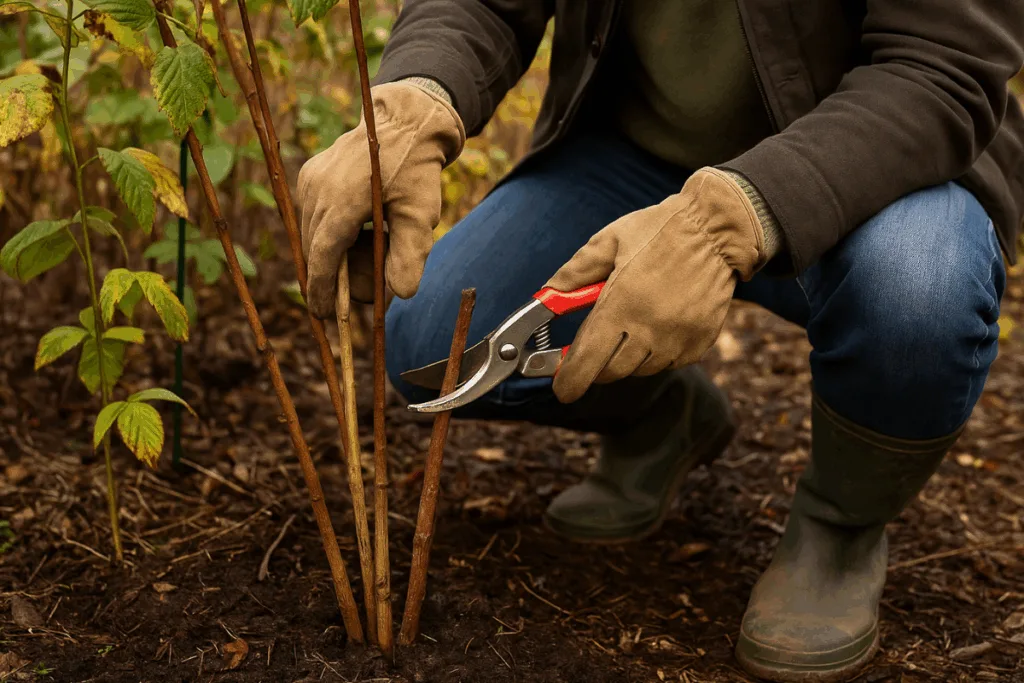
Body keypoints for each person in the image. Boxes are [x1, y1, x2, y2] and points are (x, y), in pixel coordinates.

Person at [295, 2, 1024, 680]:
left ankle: (842, 523)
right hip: (637, 161)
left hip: (876, 173)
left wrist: (726, 221)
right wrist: (417, 99)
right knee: (432, 341)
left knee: (917, 288)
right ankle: (664, 420)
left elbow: (942, 65)